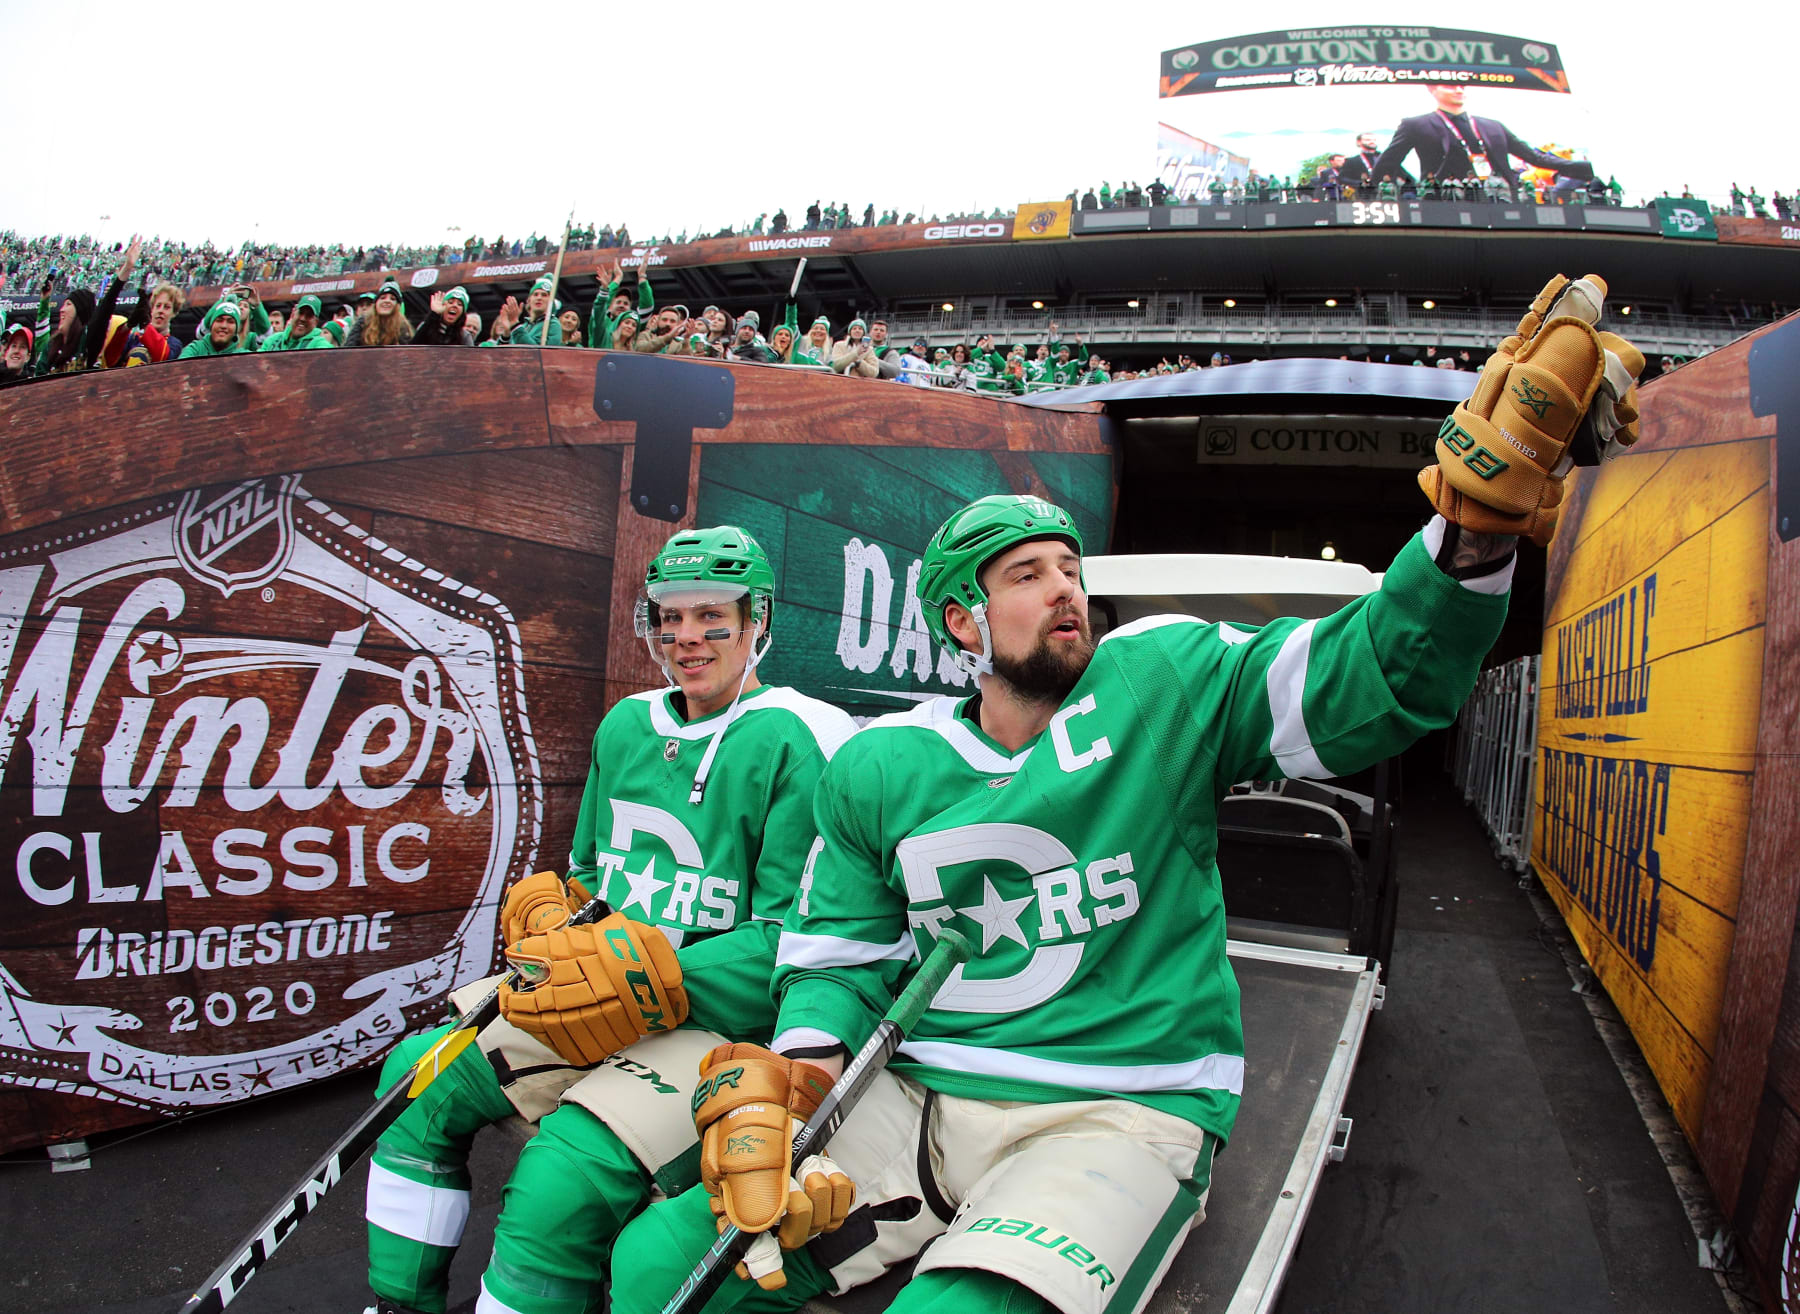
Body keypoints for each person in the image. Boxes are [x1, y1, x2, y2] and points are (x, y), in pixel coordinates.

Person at [604, 271, 1646, 1314]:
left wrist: (1471, 535)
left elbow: (1371, 676)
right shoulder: (881, 765)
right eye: (1026, 576)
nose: (1066, 587)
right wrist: (803, 1088)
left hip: (1115, 1108)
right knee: (660, 1266)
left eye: (1071, 567)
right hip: (919, 1090)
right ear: (963, 623)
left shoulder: (1162, 678)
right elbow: (835, 956)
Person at [362, 527, 856, 1314]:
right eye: (669, 618)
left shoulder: (806, 738)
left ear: (757, 619)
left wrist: (636, 970)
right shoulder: (626, 725)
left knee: (560, 1181)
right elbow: (595, 873)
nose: (687, 637)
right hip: (600, 996)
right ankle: (397, 1304)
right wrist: (559, 913)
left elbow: (800, 938)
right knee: (416, 1082)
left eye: (711, 618)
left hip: (718, 1025)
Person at [1369, 86, 1594, 192]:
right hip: (1446, 196)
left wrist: (1583, 168)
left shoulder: (1492, 125)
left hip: (1500, 194)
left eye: (1462, 86)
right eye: (1450, 86)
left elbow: (1533, 157)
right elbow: (1389, 161)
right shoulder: (1415, 124)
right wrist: (1372, 191)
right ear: (1432, 89)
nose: (1458, 90)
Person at [489, 275, 562, 346]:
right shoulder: (524, 326)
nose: (539, 298)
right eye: (535, 294)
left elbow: (535, 352)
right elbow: (503, 354)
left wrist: (515, 325)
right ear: (529, 300)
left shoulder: (553, 324)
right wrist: (506, 334)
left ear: (551, 302)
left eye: (544, 295)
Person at [346, 280, 415, 347]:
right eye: (382, 298)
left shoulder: (402, 326)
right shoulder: (363, 321)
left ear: (397, 306)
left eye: (392, 299)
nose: (387, 301)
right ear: (376, 303)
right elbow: (348, 349)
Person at [1338, 132, 1413, 194]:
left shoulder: (1387, 159)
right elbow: (1342, 179)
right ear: (1359, 142)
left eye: (1374, 140)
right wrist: (1360, 183)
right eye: (1367, 140)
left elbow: (1406, 176)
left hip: (1388, 194)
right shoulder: (1351, 161)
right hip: (1364, 196)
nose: (1372, 142)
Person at [178, 299, 250, 359]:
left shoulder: (244, 356)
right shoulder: (195, 349)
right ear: (211, 325)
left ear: (236, 329)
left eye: (230, 322)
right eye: (219, 320)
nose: (224, 326)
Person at [258, 294, 334, 350]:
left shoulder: (318, 344)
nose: (303, 318)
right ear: (293, 313)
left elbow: (329, 356)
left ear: (316, 322)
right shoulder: (272, 340)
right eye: (301, 312)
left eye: (309, 315)